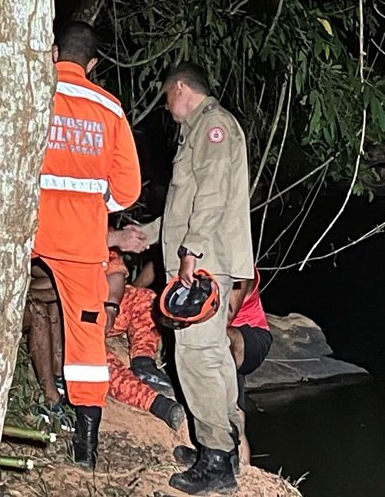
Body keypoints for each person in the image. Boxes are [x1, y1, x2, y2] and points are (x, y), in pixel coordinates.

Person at [139, 61, 255, 494]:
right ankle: (222, 447)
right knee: (214, 357)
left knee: (198, 359)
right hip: (207, 258)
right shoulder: (202, 130)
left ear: (181, 89)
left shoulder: (212, 127)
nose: (167, 107)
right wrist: (145, 235)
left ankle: (216, 464)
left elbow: (211, 197)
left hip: (204, 265)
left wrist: (191, 253)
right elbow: (184, 209)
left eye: (167, 96)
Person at [32, 21, 141, 470]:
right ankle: (87, 449)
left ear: (53, 52)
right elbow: (128, 190)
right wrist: (93, 205)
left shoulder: (32, 93)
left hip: (25, 229)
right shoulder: (109, 108)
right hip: (79, 241)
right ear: (93, 63)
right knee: (86, 337)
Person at [25, 241, 186, 431]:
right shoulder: (39, 247)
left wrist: (110, 308)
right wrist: (70, 287)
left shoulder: (86, 235)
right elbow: (34, 292)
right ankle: (153, 402)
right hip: (71, 319)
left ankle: (143, 362)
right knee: (96, 360)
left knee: (144, 298)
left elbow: (115, 270)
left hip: (98, 304)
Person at [173, 267, 272, 467]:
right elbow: (155, 265)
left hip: (249, 337)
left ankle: (233, 460)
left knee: (218, 341)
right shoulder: (193, 264)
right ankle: (227, 460)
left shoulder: (240, 269)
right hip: (218, 343)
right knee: (233, 404)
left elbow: (226, 316)